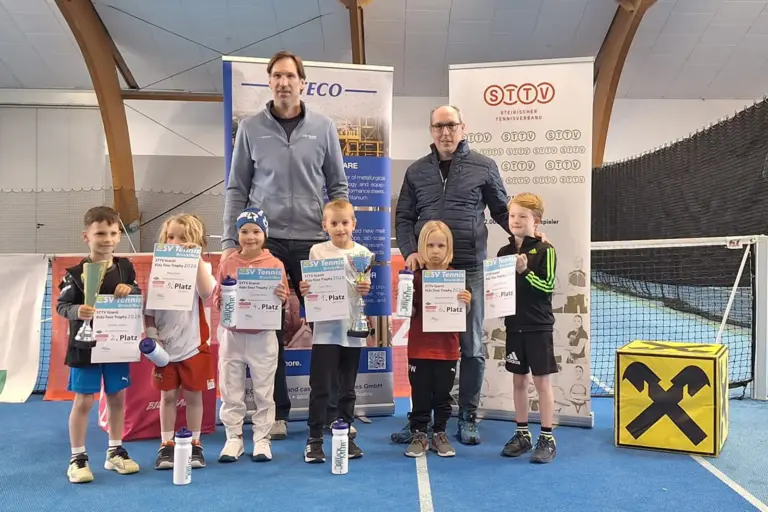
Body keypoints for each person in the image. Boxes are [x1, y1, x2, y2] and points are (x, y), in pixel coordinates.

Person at [223, 50, 348, 439]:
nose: (283, 82)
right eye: (276, 75)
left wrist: (340, 238)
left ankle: (329, 411)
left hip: (315, 242)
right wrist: (231, 242)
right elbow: (237, 187)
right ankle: (274, 413)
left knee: (326, 327)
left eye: (290, 76)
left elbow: (338, 185)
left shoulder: (325, 127)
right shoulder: (250, 128)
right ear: (269, 81)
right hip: (266, 243)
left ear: (302, 82)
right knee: (267, 329)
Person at [395, 105, 510, 445]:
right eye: (438, 127)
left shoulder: (484, 166)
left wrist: (527, 236)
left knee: (471, 346)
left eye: (451, 126)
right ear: (431, 131)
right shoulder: (416, 171)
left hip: (469, 269)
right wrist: (410, 251)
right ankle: (422, 419)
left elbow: (503, 210)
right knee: (426, 351)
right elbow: (403, 217)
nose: (445, 133)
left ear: (463, 128)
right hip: (430, 272)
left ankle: (467, 416)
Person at [56, 206, 141, 483]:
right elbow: (61, 305)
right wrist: (76, 311)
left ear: (119, 236)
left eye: (113, 233)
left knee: (117, 398)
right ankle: (77, 457)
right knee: (83, 402)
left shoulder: (126, 268)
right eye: (100, 233)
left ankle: (115, 451)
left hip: (116, 346)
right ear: (86, 237)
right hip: (84, 347)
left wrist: (131, 290)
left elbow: (137, 295)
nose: (107, 239)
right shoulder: (75, 272)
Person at [299, 199, 371, 463]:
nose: (340, 228)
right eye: (334, 223)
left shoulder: (363, 253)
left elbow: (364, 286)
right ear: (324, 225)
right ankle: (314, 439)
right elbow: (310, 289)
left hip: (353, 329)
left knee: (347, 388)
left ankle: (344, 435)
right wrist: (305, 290)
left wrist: (366, 289)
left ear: (354, 223)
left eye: (345, 222)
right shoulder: (317, 252)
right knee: (320, 386)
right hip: (326, 332)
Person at [215, 208, 289, 462]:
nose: (250, 237)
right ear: (237, 235)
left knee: (263, 390)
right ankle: (233, 438)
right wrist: (224, 298)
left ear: (264, 234)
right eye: (245, 231)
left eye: (256, 231)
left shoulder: (275, 264)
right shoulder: (227, 263)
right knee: (230, 388)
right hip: (233, 336)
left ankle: (261, 439)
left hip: (263, 336)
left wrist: (282, 298)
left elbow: (284, 300)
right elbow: (217, 300)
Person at [143, 214, 216, 470]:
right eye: (171, 237)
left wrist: (194, 258)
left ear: (196, 242)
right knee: (168, 397)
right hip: (165, 348)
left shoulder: (202, 267)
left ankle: (195, 443)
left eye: (183, 238)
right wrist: (151, 334)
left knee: (194, 397)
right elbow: (149, 309)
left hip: (193, 345)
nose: (175, 242)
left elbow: (207, 292)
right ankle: (167, 444)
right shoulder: (158, 269)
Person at [497, 193, 558, 464]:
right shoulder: (503, 253)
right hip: (514, 326)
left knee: (542, 382)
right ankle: (522, 433)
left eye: (523, 216)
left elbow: (548, 287)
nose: (516, 220)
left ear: (537, 220)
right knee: (518, 380)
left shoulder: (547, 250)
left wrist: (525, 272)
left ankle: (547, 437)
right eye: (512, 216)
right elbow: (498, 291)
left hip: (539, 327)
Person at [404, 221, 471, 458]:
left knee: (443, 395)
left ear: (448, 248)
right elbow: (408, 312)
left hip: (447, 350)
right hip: (419, 350)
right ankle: (419, 433)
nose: (435, 250)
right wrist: (406, 300)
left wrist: (466, 301)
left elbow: (464, 313)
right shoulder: (413, 278)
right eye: (430, 245)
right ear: (421, 247)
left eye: (440, 245)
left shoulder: (457, 278)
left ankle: (440, 432)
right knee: (420, 394)